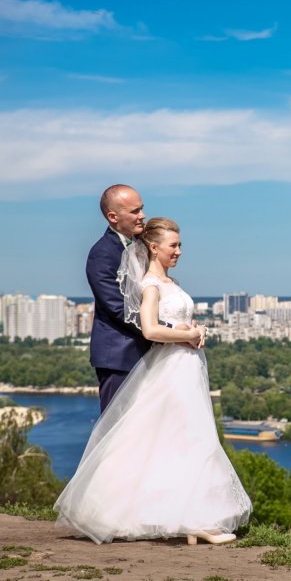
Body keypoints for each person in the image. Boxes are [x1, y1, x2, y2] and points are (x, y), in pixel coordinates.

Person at [55, 217, 251, 545]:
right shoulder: (150, 285)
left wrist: (196, 330)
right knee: (187, 438)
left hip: (188, 367)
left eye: (180, 245)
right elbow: (150, 330)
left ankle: (193, 520)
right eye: (173, 246)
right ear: (154, 247)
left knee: (188, 438)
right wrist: (185, 335)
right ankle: (196, 521)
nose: (179, 251)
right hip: (172, 367)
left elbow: (177, 322)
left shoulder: (171, 282)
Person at [87, 184, 202, 413]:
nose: (142, 216)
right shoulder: (102, 254)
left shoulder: (142, 244)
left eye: (142, 209)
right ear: (113, 216)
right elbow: (119, 309)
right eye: (135, 211)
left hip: (154, 356)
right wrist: (173, 330)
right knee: (117, 430)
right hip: (120, 357)